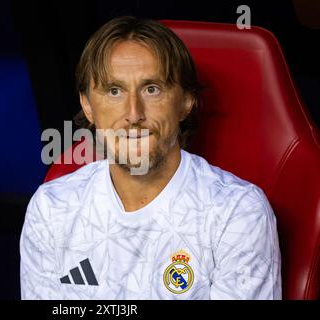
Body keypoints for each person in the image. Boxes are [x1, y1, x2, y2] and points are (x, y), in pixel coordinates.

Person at [20, 16, 281, 299]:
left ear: (186, 102)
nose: (134, 114)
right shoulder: (51, 209)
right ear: (88, 106)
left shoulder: (238, 213)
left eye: (151, 89)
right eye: (115, 91)